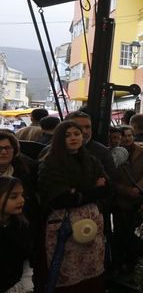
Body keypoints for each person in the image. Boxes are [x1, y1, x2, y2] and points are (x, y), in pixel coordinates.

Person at [38, 121, 108, 291]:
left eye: (76, 134)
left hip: (92, 223)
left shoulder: (91, 160)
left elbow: (107, 187)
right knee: (67, 273)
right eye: (67, 135)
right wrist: (92, 191)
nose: (73, 138)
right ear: (59, 138)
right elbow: (60, 199)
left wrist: (78, 193)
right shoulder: (50, 163)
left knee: (92, 271)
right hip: (64, 226)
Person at [111, 126, 143, 273]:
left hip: (138, 199)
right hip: (121, 201)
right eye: (124, 136)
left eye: (129, 135)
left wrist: (138, 188)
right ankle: (122, 262)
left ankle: (136, 262)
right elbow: (111, 179)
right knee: (121, 233)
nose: (127, 138)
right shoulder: (114, 154)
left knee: (138, 233)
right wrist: (127, 191)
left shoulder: (142, 152)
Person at [0, 177, 32, 293]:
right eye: (14, 197)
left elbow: (26, 259)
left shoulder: (20, 225)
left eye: (22, 195)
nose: (21, 200)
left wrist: (27, 285)